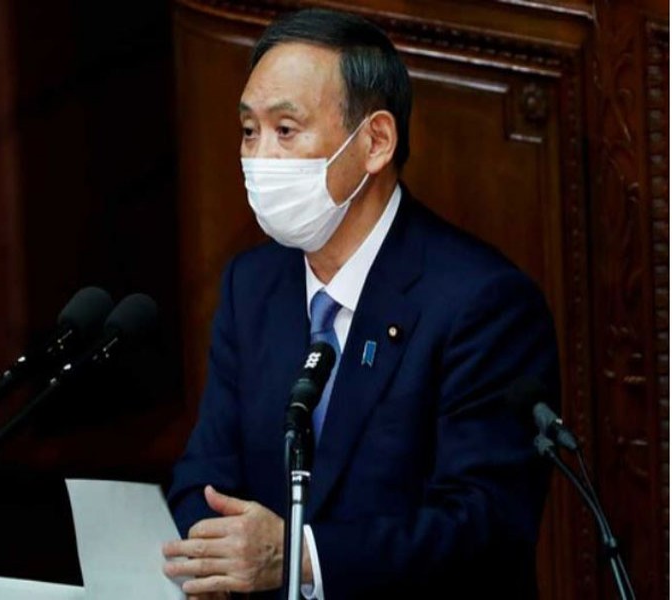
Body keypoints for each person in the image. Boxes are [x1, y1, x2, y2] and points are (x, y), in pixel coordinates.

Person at [162, 7, 560, 599]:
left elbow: (486, 524)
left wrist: (303, 558)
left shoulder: (482, 303)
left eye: (286, 130)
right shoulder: (254, 284)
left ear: (374, 141)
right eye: (249, 130)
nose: (258, 157)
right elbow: (204, 472)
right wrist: (213, 551)